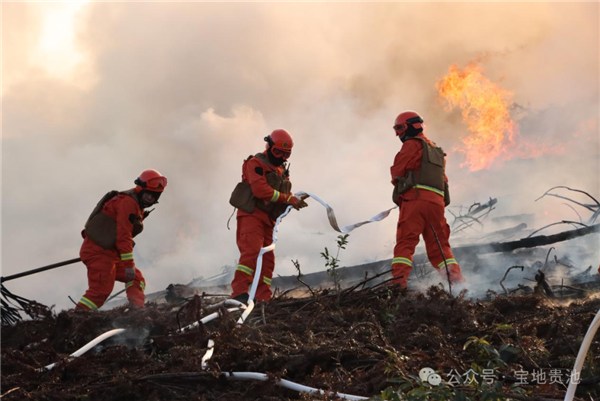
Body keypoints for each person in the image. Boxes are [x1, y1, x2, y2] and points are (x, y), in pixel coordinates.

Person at [228, 129, 308, 303]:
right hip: (251, 216)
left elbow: (281, 194)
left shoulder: (281, 170)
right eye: (278, 152)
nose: (281, 157)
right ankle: (239, 294)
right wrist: (288, 198)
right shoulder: (255, 163)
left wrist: (294, 200)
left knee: (268, 260)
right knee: (251, 253)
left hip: (268, 220)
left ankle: (263, 297)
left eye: (286, 154)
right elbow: (260, 190)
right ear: (269, 146)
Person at [389, 111, 464, 290]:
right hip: (436, 205)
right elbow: (444, 181)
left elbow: (397, 172)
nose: (398, 134)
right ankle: (458, 285)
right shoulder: (436, 151)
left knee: (405, 243)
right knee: (440, 248)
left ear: (410, 126)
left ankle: (398, 285)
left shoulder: (411, 145)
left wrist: (401, 191)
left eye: (399, 128)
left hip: (415, 201)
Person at [76, 169, 167, 310]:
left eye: (154, 196)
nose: (150, 199)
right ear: (141, 189)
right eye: (148, 194)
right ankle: (76, 316)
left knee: (136, 279)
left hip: (110, 254)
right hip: (98, 253)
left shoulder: (136, 205)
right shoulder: (128, 203)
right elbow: (123, 236)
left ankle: (137, 311)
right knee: (99, 292)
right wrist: (129, 264)